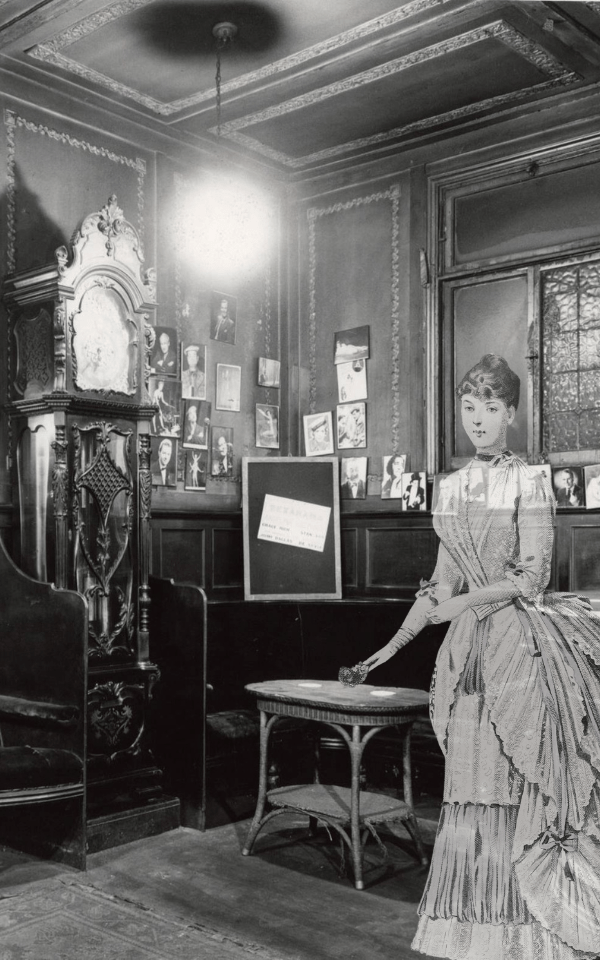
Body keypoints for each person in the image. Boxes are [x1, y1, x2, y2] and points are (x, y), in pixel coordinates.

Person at [340, 354, 600, 960]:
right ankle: (469, 921)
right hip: (466, 658)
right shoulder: (452, 487)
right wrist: (382, 653)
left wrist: (464, 607)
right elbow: (438, 587)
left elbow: (532, 576)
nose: (477, 418)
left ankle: (523, 927)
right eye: (468, 405)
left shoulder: (529, 481)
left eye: (490, 406)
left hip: (518, 647)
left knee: (509, 782)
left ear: (511, 413)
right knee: (469, 781)